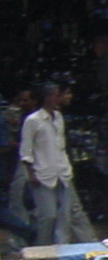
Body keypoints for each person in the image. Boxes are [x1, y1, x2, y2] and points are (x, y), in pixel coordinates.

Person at [22, 84, 89, 245]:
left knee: (64, 215)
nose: (57, 98)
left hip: (62, 171)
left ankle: (61, 246)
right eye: (54, 95)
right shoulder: (33, 120)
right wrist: (30, 173)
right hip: (42, 173)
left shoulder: (58, 118)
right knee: (48, 215)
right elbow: (26, 150)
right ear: (46, 98)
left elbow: (60, 145)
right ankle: (42, 246)